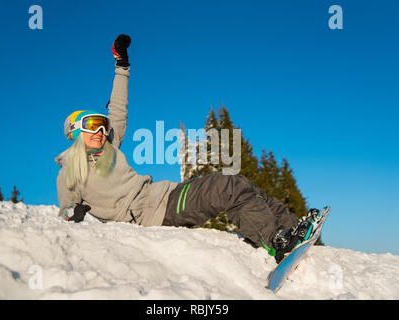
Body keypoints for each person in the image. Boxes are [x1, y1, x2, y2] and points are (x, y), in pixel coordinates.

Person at [55, 34, 319, 263]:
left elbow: (118, 109)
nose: (101, 131)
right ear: (76, 131)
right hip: (155, 213)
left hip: (164, 194)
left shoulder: (111, 149)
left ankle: (291, 228)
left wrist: (121, 66)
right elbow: (64, 217)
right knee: (226, 187)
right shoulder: (69, 174)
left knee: (239, 183)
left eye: (103, 126)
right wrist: (76, 215)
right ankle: (276, 242)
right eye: (93, 125)